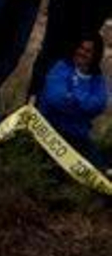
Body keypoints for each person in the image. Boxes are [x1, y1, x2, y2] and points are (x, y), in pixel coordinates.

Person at [36, 37, 108, 168]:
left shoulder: (98, 80)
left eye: (88, 51)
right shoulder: (61, 67)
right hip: (49, 130)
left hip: (78, 137)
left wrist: (72, 96)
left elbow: (99, 105)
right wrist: (83, 108)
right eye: (80, 48)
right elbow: (55, 99)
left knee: (99, 169)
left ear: (95, 55)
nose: (82, 52)